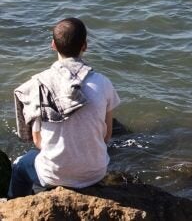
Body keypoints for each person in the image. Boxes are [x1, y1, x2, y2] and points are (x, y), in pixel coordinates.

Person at [9, 17, 120, 198]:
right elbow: (106, 136)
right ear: (85, 45)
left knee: (20, 166)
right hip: (96, 172)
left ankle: (15, 206)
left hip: (54, 175)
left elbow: (38, 142)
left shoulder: (39, 84)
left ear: (53, 45)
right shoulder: (103, 83)